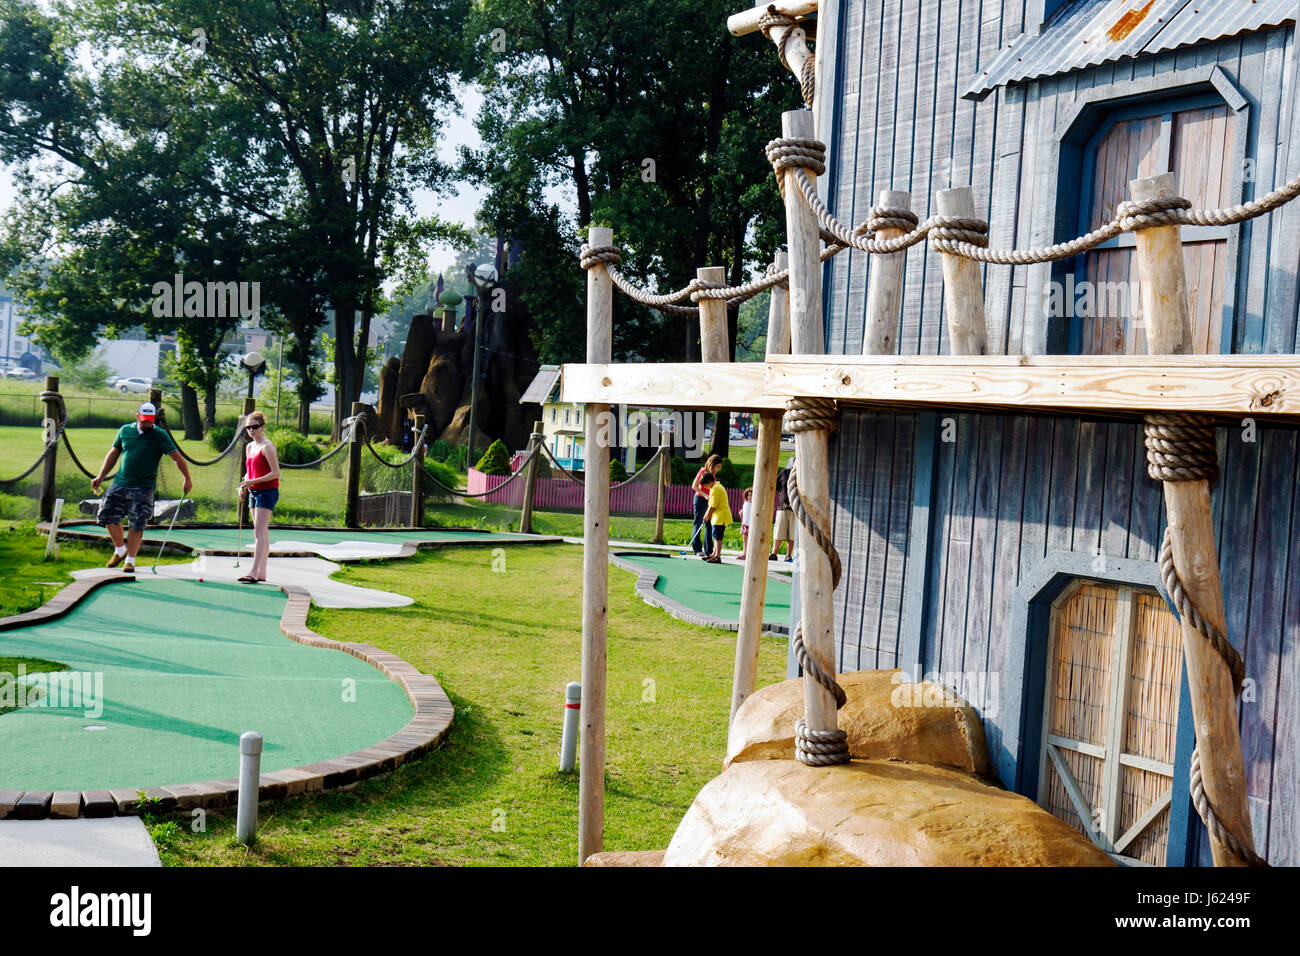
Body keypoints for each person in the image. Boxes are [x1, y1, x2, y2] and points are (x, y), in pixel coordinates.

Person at [91, 401, 193, 573]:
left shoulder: (160, 435)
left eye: (150, 420)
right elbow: (114, 453)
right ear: (137, 417)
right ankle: (120, 549)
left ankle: (130, 560)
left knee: (137, 524)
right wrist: (100, 476)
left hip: (144, 487)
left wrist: (187, 479)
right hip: (120, 483)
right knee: (107, 515)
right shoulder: (125, 431)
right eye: (144, 420)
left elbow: (177, 457)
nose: (147, 423)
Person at [237, 412, 281, 584]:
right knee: (262, 531)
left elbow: (275, 473)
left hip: (267, 491)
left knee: (259, 531)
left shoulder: (267, 446)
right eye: (248, 427)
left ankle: (254, 571)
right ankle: (262, 571)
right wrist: (244, 484)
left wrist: (252, 481)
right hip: (254, 491)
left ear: (262, 427)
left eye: (255, 427)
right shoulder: (250, 447)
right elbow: (249, 470)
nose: (251, 430)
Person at [689, 454, 723, 555]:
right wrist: (705, 495)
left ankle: (708, 550)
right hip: (700, 499)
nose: (718, 469)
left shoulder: (713, 474)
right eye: (717, 467)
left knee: (709, 524)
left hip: (709, 501)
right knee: (699, 523)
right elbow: (694, 486)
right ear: (712, 464)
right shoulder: (703, 471)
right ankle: (697, 549)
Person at [699, 472, 733, 564]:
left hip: (720, 516)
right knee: (715, 536)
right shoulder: (716, 487)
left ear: (709, 481)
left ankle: (717, 556)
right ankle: (714, 554)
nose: (705, 487)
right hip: (718, 516)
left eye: (705, 485)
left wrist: (707, 515)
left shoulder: (716, 489)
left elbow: (713, 505)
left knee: (718, 537)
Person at [770, 456, 795, 562]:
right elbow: (776, 486)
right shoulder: (784, 473)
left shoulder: (803, 476)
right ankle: (774, 553)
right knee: (779, 531)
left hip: (795, 509)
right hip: (783, 507)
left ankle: (788, 555)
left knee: (792, 534)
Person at [739, 487, 753, 559]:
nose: (749, 497)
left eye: (751, 495)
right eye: (748, 495)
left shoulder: (754, 505)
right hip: (745, 524)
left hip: (750, 525)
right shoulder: (745, 503)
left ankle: (749, 554)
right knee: (745, 539)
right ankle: (744, 553)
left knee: (750, 540)